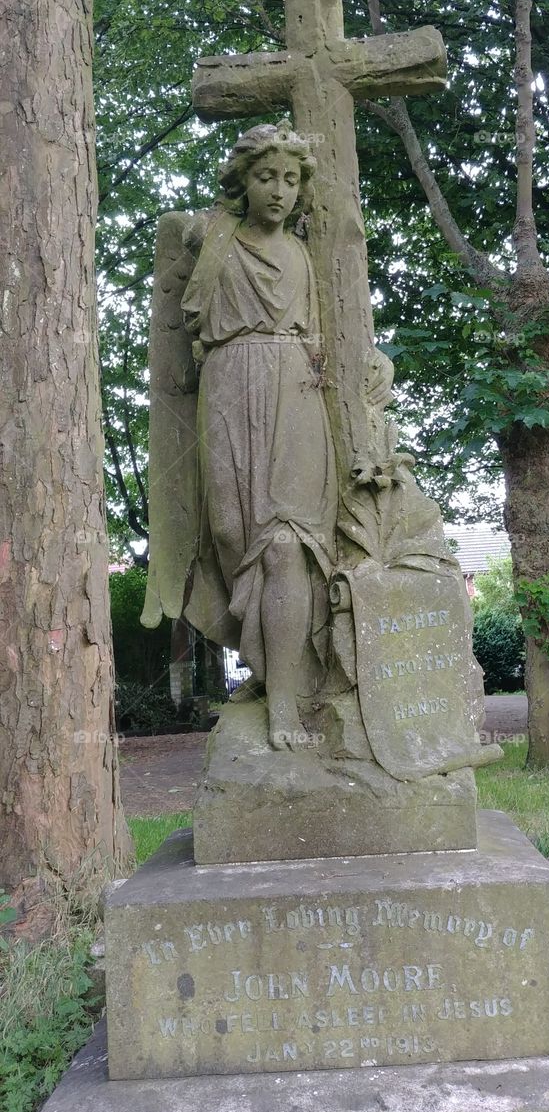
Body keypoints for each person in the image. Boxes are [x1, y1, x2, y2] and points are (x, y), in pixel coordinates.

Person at [180, 120, 338, 750]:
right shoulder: (215, 239)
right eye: (266, 176)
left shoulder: (305, 252)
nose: (279, 190)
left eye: (291, 179)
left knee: (283, 547)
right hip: (227, 384)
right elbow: (183, 319)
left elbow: (336, 335)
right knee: (229, 537)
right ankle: (266, 665)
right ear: (242, 181)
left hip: (296, 393)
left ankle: (284, 708)